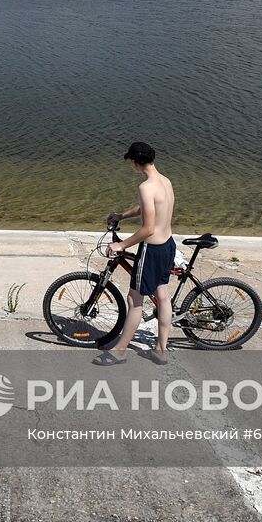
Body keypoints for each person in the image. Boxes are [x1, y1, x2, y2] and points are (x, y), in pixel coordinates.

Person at [95, 141, 175, 366]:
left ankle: (120, 351)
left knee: (134, 301)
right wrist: (121, 215)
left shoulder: (146, 187)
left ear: (135, 162)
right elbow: (145, 208)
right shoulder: (165, 182)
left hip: (151, 249)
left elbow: (148, 229)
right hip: (168, 245)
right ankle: (161, 349)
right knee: (162, 296)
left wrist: (122, 245)